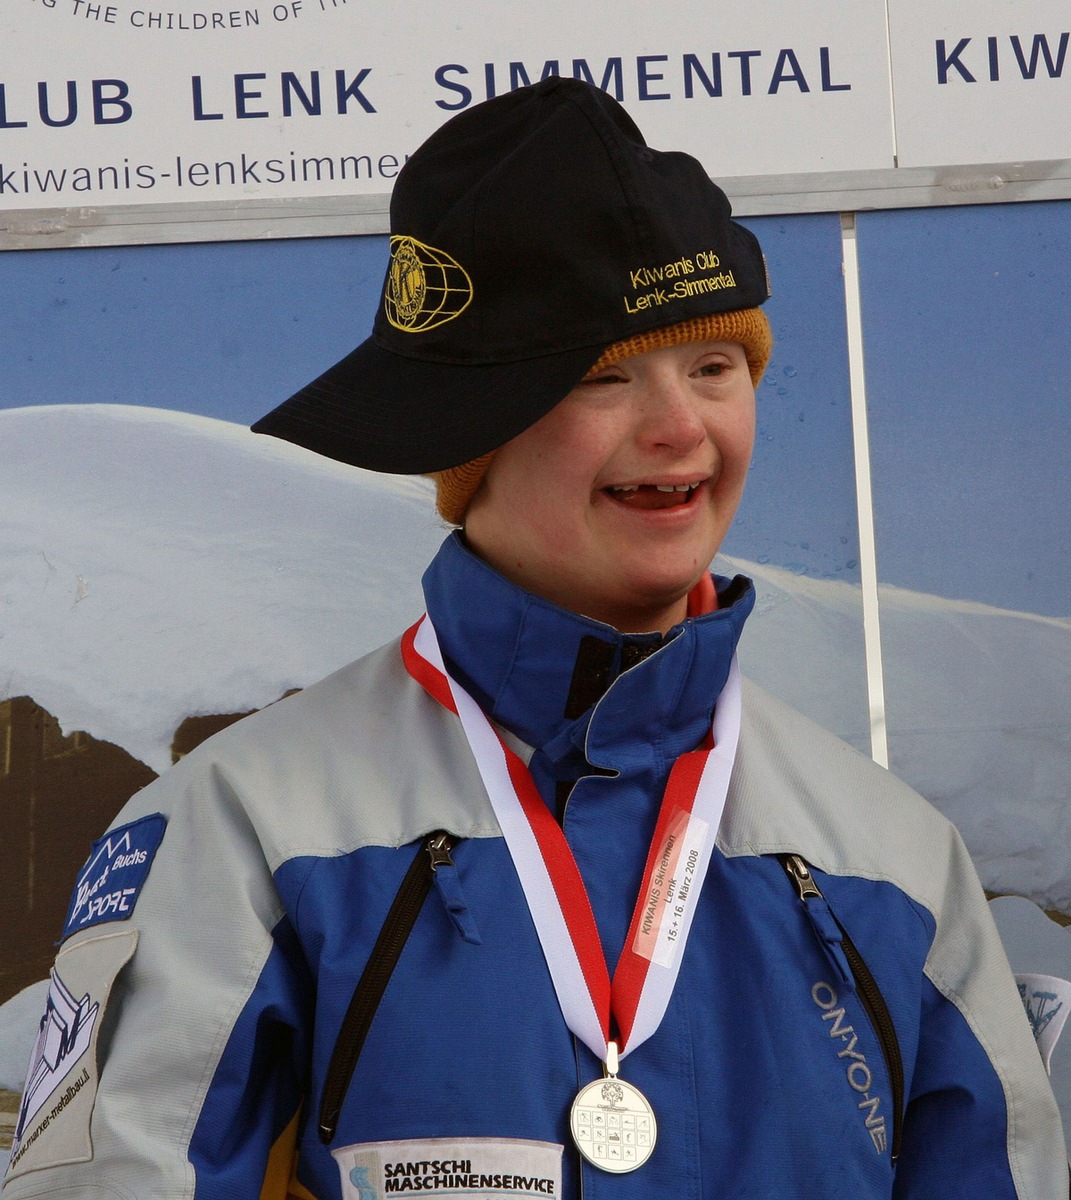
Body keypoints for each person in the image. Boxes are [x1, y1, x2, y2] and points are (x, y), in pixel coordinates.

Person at [3, 77, 1065, 1200]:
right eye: (602, 375)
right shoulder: (247, 827)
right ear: (468, 439)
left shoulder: (891, 857)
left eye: (715, 367)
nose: (680, 429)